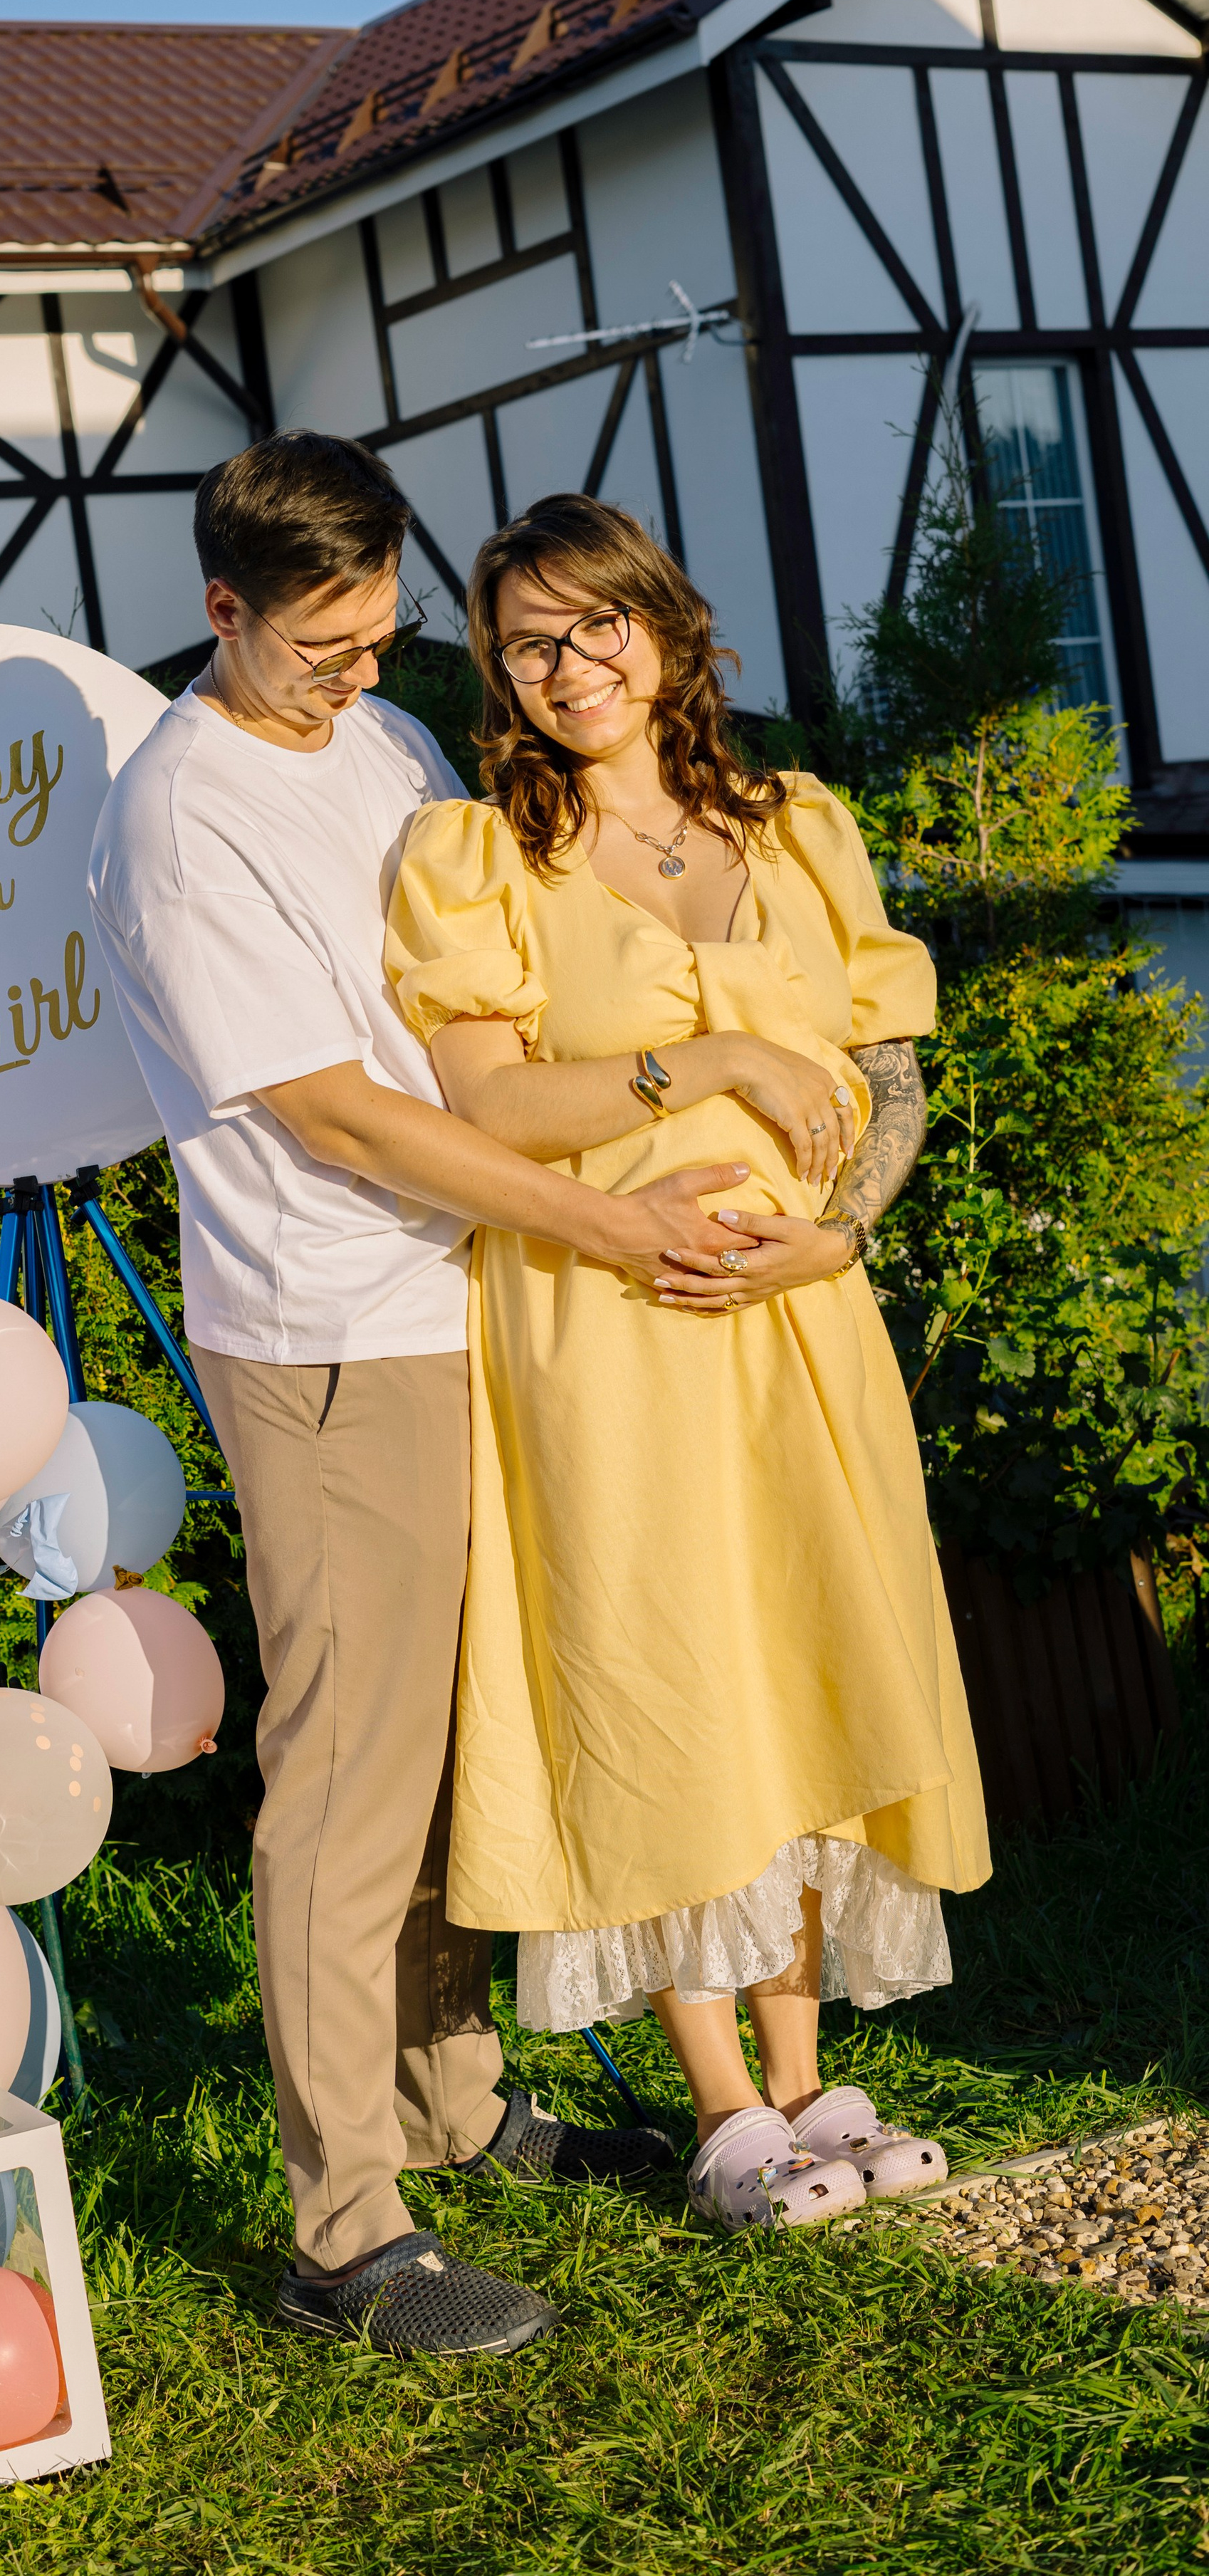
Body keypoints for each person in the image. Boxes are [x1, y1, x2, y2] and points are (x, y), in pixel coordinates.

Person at [90, 435, 753, 2353]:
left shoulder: (370, 743)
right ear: (223, 612)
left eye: (384, 637)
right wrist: (599, 1221)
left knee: (459, 1746)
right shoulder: (178, 817)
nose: (365, 675)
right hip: (328, 1336)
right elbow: (341, 1110)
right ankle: (342, 2234)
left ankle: (454, 2107)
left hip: (471, 1296)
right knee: (350, 1775)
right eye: (321, 647)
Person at [383, 494, 992, 2231]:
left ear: (663, 629)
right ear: (496, 671)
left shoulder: (795, 827)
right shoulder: (476, 856)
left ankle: (809, 2084)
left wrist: (840, 1229)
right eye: (526, 641)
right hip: (605, 1329)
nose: (569, 668)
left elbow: (888, 1068)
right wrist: (706, 1051)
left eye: (597, 627)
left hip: (798, 1326)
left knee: (794, 1654)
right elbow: (489, 1105)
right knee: (655, 1673)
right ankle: (720, 2106)